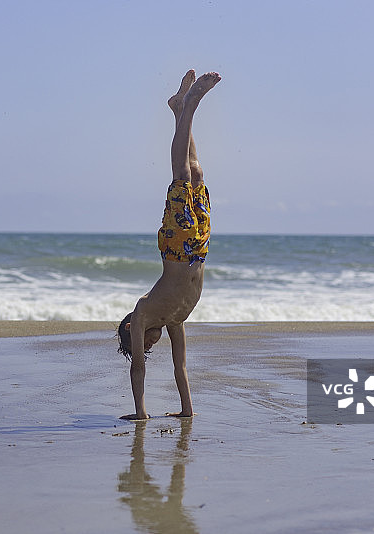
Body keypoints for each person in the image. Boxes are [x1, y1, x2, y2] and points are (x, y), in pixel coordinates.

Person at [118, 70, 221, 420]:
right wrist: (187, 411)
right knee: (199, 175)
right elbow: (181, 369)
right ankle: (179, 110)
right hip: (198, 248)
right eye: (147, 349)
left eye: (144, 344)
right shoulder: (174, 321)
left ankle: (190, 105)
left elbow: (137, 371)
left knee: (182, 176)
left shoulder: (144, 310)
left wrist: (140, 412)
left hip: (177, 246)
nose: (150, 346)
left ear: (133, 328)